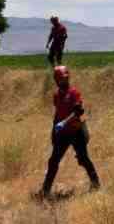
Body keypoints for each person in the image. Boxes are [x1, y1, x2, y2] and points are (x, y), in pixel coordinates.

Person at [40, 65, 100, 199]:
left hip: (76, 132)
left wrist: (64, 122)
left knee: (83, 159)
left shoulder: (74, 93)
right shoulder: (56, 95)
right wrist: (54, 129)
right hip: (62, 134)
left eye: (66, 78)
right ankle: (45, 190)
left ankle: (96, 184)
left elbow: (78, 111)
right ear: (56, 80)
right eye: (61, 79)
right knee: (53, 161)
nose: (64, 81)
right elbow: (57, 113)